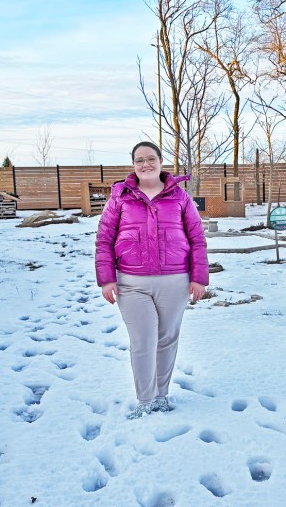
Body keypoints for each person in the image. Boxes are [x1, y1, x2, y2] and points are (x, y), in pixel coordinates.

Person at [95, 141, 209, 420]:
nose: (145, 164)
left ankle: (161, 396)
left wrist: (199, 278)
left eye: (150, 159)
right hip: (132, 283)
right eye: (139, 160)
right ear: (133, 165)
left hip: (175, 281)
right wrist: (107, 279)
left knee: (167, 338)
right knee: (143, 341)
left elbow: (197, 238)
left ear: (160, 161)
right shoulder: (119, 197)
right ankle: (144, 399)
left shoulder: (179, 197)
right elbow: (104, 240)